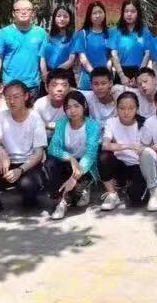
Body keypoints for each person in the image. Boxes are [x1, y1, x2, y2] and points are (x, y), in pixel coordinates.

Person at [0, 80, 48, 215]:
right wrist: (0, 150)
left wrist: (20, 170)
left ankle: (30, 197)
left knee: (27, 185)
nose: (12, 101)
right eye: (8, 97)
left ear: (26, 96)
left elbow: (39, 153)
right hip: (6, 163)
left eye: (16, 97)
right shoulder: (1, 116)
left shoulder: (35, 118)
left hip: (28, 165)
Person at [45, 90, 101, 220]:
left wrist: (73, 179)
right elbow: (53, 148)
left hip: (84, 166)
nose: (72, 111)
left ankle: (82, 188)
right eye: (68, 107)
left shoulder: (93, 126)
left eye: (76, 106)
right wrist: (70, 158)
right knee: (50, 163)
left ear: (84, 106)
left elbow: (90, 154)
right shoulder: (61, 123)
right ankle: (60, 202)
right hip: (67, 163)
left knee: (77, 198)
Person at [98, 91, 147, 211]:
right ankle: (112, 194)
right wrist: (129, 146)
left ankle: (130, 187)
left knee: (136, 198)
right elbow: (105, 145)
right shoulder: (111, 122)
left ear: (137, 108)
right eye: (122, 108)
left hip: (138, 165)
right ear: (117, 108)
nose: (126, 112)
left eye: (131, 108)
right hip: (119, 165)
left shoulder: (145, 123)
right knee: (103, 156)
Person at [0, 0, 48, 100]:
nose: (23, 12)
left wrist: (45, 77)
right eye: (19, 10)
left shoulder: (41, 33)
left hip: (32, 85)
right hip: (9, 84)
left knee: (31, 110)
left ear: (33, 13)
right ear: (13, 13)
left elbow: (42, 58)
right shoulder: (4, 33)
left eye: (27, 9)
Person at [110, 0, 150, 85]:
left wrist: (139, 75)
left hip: (139, 72)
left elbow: (147, 54)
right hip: (120, 72)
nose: (129, 14)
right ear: (122, 13)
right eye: (126, 11)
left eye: (133, 11)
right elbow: (114, 55)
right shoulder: (115, 32)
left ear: (138, 13)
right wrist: (122, 75)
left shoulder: (145, 32)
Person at [39, 5, 78, 89]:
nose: (62, 19)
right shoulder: (48, 36)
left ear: (70, 19)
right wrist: (45, 74)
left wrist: (53, 73)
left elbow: (71, 60)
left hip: (65, 75)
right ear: (54, 18)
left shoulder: (73, 37)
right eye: (59, 16)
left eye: (65, 16)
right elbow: (42, 58)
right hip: (47, 76)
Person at [76, 1, 112, 90]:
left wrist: (105, 73)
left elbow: (112, 56)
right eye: (94, 13)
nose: (97, 15)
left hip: (106, 77)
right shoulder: (83, 34)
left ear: (104, 14)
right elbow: (82, 58)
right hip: (87, 77)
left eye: (100, 12)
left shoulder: (110, 33)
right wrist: (94, 74)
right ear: (89, 15)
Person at [32, 68, 72, 137]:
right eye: (54, 85)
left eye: (64, 85)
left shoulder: (73, 103)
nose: (59, 89)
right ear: (46, 87)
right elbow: (34, 126)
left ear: (69, 88)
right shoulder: (39, 104)